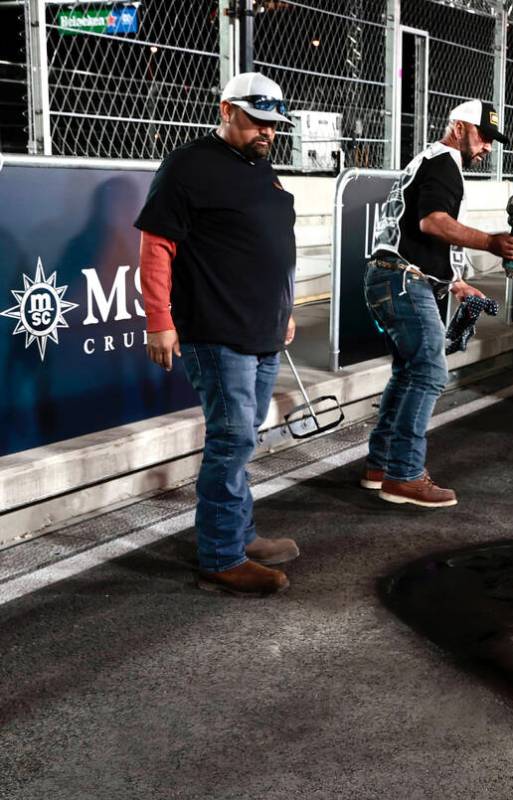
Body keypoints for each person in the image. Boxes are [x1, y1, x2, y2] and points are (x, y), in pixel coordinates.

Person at [135, 72, 299, 597]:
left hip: (262, 329)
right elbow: (157, 246)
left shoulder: (261, 167)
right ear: (227, 109)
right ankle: (221, 556)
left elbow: (270, 246)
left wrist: (285, 309)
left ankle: (239, 534)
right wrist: (159, 320)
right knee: (231, 441)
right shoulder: (188, 165)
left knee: (241, 440)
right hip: (215, 331)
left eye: (274, 124)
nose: (267, 132)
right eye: (257, 121)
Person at [359, 99, 513, 507]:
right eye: (483, 136)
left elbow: (419, 234)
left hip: (392, 275)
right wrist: (491, 242)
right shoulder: (445, 163)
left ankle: (381, 465)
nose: (487, 147)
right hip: (402, 279)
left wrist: (455, 281)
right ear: (458, 127)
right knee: (431, 373)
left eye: (492, 140)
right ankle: (405, 475)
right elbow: (432, 222)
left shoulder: (432, 161)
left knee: (408, 372)